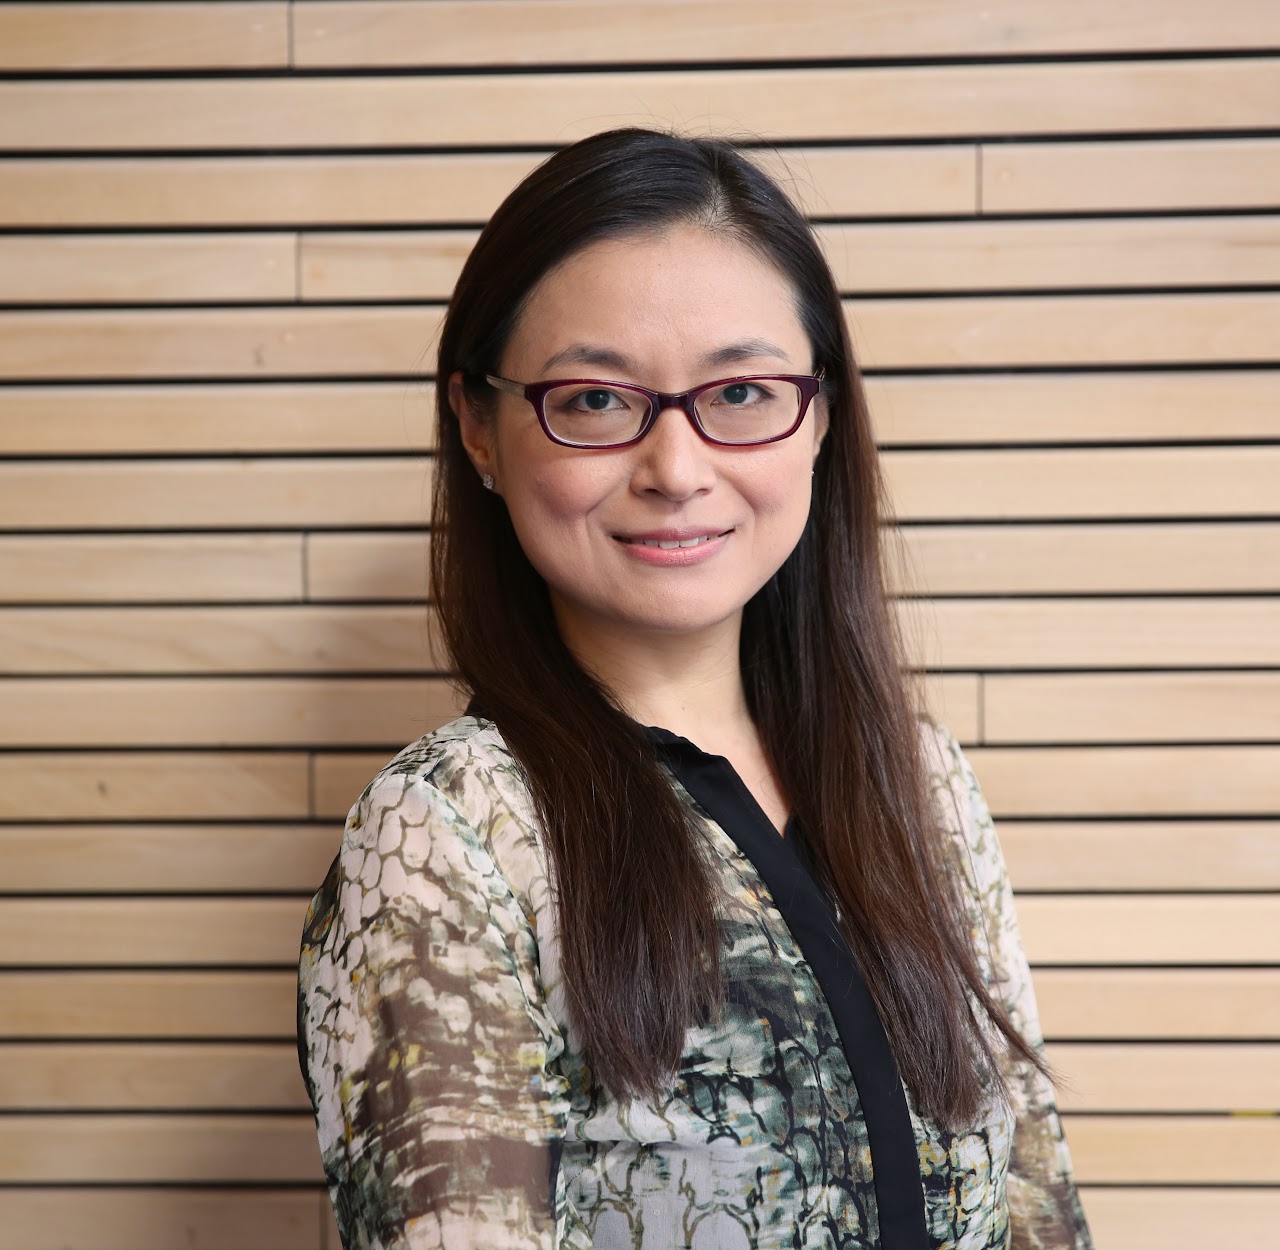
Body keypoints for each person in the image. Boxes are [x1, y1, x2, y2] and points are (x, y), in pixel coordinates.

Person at [297, 127, 1093, 1250]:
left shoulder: (919, 783)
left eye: (743, 391)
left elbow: (1038, 1211)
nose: (676, 469)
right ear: (478, 426)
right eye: (593, 400)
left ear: (820, 414)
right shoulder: (446, 830)